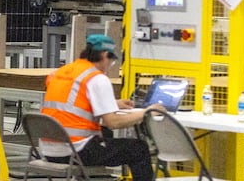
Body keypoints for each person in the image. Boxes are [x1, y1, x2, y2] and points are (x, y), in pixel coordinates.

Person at [41, 34, 164, 181]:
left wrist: (113, 103)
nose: (109, 65)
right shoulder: (97, 78)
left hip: (48, 149)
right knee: (138, 148)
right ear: (105, 55)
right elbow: (112, 122)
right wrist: (146, 112)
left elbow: (70, 102)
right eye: (111, 61)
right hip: (75, 151)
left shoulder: (61, 72)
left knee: (105, 135)